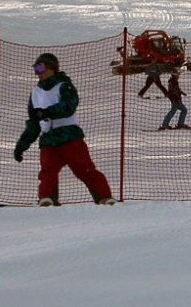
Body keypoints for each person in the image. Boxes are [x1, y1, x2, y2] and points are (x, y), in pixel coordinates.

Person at [14, 53, 115, 205]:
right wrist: (22, 144)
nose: (37, 72)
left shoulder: (64, 86)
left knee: (84, 169)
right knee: (47, 172)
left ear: (51, 68)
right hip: (48, 139)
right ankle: (47, 199)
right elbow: (34, 122)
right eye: (35, 68)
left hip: (69, 136)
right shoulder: (35, 93)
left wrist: (48, 111)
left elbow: (69, 105)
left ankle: (104, 197)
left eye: (40, 67)